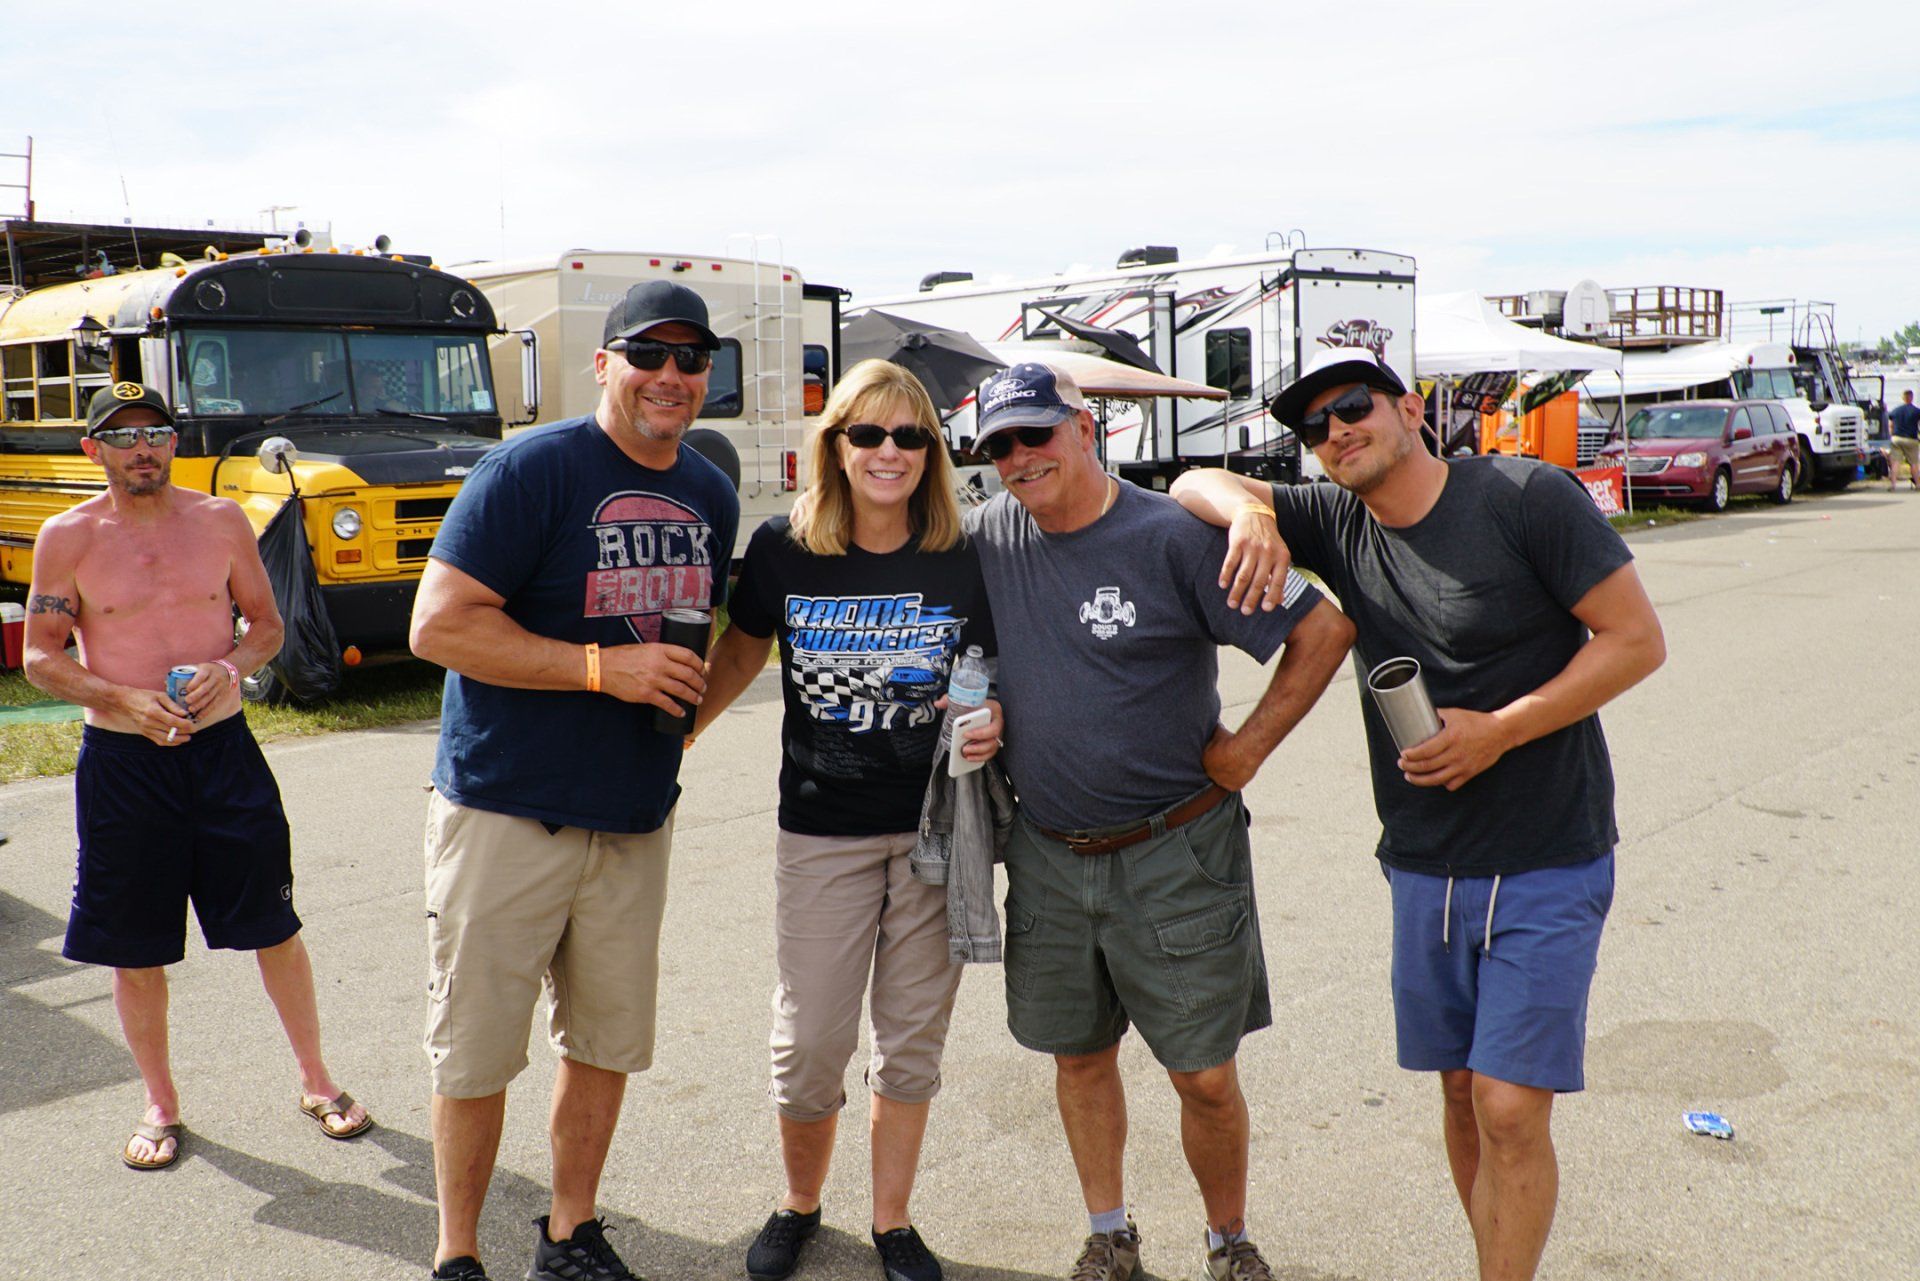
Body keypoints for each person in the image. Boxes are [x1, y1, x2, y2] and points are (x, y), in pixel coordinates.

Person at [1170, 347, 1667, 1281]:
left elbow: (1637, 640)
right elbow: (1194, 476)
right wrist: (1249, 511)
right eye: (1312, 427)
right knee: (1458, 1090)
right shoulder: (1336, 520)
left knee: (1511, 1105)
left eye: (1352, 407)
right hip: (1423, 863)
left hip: (1548, 853)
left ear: (1410, 411)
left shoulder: (1526, 497)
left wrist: (1503, 731)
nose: (1334, 432)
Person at [963, 362, 1354, 1281]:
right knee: (1078, 1056)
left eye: (1036, 434)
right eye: (1000, 445)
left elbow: (1323, 630)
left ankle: (1228, 1240)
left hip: (1176, 847)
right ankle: (1110, 1233)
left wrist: (1246, 749)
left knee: (1204, 1073)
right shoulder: (986, 537)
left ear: (1085, 427)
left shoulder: (1171, 536)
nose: (1020, 458)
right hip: (1050, 851)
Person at [408, 281, 739, 1281]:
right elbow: (440, 625)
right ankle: (457, 1253)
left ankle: (569, 1231)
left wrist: (685, 721)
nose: (669, 377)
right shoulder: (533, 469)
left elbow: (710, 638)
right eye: (649, 354)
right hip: (509, 807)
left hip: (633, 817)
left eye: (690, 359)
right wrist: (603, 669)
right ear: (604, 363)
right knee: (474, 1050)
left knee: (603, 1043)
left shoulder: (710, 493)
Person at [691, 359, 1003, 1281]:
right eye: (867, 433)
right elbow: (742, 650)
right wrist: (675, 740)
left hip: (935, 829)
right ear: (834, 445)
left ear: (931, 452)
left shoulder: (962, 551)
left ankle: (893, 1221)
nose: (889, 452)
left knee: (910, 1043)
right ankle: (798, 1203)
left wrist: (994, 719)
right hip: (821, 829)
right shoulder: (786, 547)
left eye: (910, 436)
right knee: (811, 1041)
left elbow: (992, 673)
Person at [22, 381, 373, 1173]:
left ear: (173, 443)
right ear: (93, 449)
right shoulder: (65, 537)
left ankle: (317, 1080)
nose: (142, 447)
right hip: (123, 766)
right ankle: (162, 1101)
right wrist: (122, 698)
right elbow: (40, 656)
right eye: (122, 436)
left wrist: (228, 667)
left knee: (276, 926)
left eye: (156, 432)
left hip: (224, 755)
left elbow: (269, 625)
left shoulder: (219, 519)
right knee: (134, 946)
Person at [1886, 390, 1920, 491]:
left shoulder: (1895, 410)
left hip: (1897, 439)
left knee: (1895, 462)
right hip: (1911, 439)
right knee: (1914, 463)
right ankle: (1918, 485)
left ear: (1903, 398)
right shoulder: (1917, 411)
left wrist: (1891, 435)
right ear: (1911, 398)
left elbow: (1890, 425)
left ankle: (1893, 485)